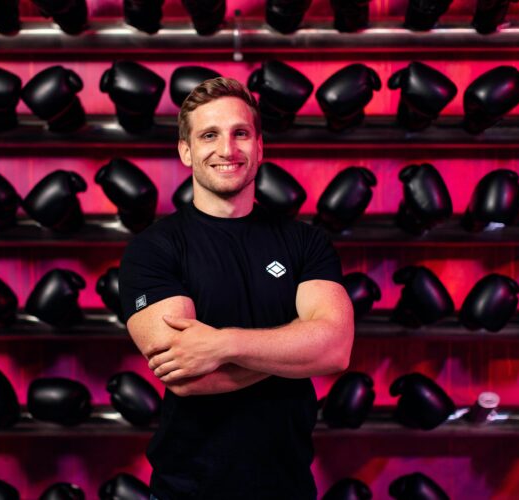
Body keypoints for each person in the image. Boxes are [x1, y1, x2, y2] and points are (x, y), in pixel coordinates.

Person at [118, 77, 354, 500]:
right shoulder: (154, 249)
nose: (227, 149)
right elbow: (188, 375)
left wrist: (222, 344)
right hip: (187, 491)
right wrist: (297, 346)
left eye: (240, 133)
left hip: (288, 488)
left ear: (260, 147)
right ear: (186, 150)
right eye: (209, 135)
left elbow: (335, 349)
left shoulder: (305, 242)